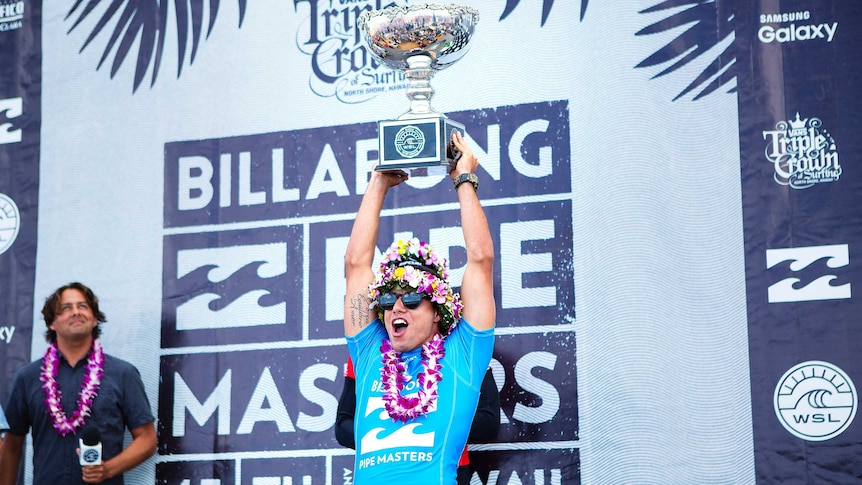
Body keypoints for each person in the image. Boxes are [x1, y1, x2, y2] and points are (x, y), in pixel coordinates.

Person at [343, 130, 496, 483]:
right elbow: (355, 265)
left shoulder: (463, 353)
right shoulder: (369, 354)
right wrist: (378, 184)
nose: (397, 307)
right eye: (387, 299)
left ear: (438, 312)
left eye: (411, 299)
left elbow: (481, 261)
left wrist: (464, 181)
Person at [0, 282, 157, 485]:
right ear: (52, 323)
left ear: (94, 320)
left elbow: (147, 439)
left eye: (83, 306)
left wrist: (108, 469)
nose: (76, 312)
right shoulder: (27, 377)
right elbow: (12, 446)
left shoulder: (123, 374)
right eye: (66, 308)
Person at [334, 356, 500, 484]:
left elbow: (488, 422)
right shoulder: (367, 351)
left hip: (445, 471)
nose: (399, 310)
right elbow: (343, 426)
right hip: (382, 472)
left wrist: (422, 437)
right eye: (388, 308)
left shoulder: (462, 346)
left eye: (412, 308)